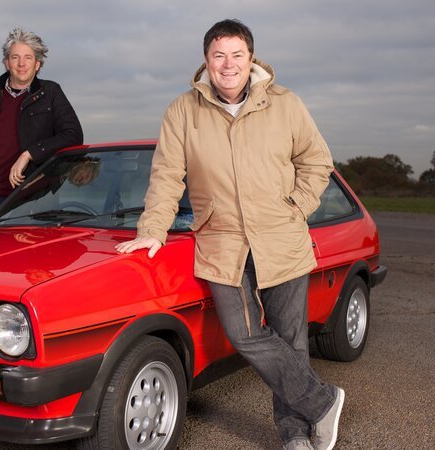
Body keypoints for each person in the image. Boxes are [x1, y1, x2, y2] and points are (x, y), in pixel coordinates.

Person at [116, 19, 342, 450]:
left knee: (291, 341)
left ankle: (295, 434)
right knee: (244, 334)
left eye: (237, 54)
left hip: (281, 237)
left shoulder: (285, 104)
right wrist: (153, 229)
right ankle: (323, 401)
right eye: (218, 55)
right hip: (221, 241)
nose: (228, 64)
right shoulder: (183, 110)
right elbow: (166, 176)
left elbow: (317, 162)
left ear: (251, 58)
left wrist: (295, 207)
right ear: (206, 61)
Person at [0, 27, 83, 230]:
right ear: (6, 62)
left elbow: (73, 135)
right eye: (15, 57)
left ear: (37, 64)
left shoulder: (51, 93)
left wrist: (29, 154)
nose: (21, 64)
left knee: (15, 252)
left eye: (28, 57)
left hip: (22, 201)